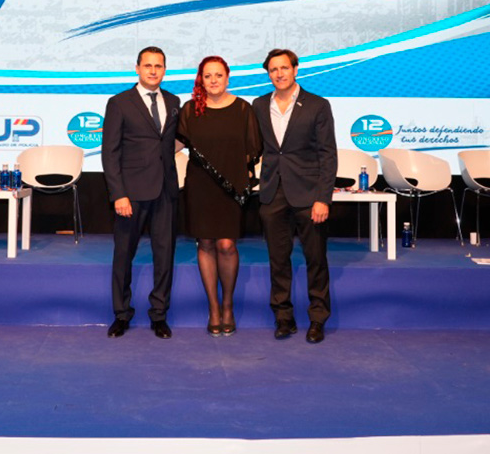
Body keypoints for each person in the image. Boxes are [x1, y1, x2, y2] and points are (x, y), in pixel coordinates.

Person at [253, 48, 337, 343]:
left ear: (295, 69)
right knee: (278, 260)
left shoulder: (317, 105)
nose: (279, 74)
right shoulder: (259, 105)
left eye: (284, 68)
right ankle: (283, 318)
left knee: (316, 260)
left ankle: (317, 319)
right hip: (272, 193)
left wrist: (323, 198)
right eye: (273, 70)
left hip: (309, 195)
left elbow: (328, 154)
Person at [177, 56, 262, 336]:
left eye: (218, 75)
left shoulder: (243, 109)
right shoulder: (190, 110)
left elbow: (253, 150)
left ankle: (228, 306)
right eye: (207, 75)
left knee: (226, 244)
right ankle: (213, 308)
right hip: (199, 187)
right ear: (201, 80)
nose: (213, 80)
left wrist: (239, 178)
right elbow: (173, 144)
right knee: (205, 243)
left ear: (227, 77)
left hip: (231, 187)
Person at [102, 46, 181, 338]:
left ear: (164, 70)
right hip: (131, 194)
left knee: (165, 256)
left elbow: (171, 142)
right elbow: (110, 153)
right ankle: (121, 314)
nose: (153, 71)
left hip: (165, 192)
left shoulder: (174, 101)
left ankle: (159, 315)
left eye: (158, 66)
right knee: (124, 255)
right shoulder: (119, 103)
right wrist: (118, 194)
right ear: (137, 68)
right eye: (148, 65)